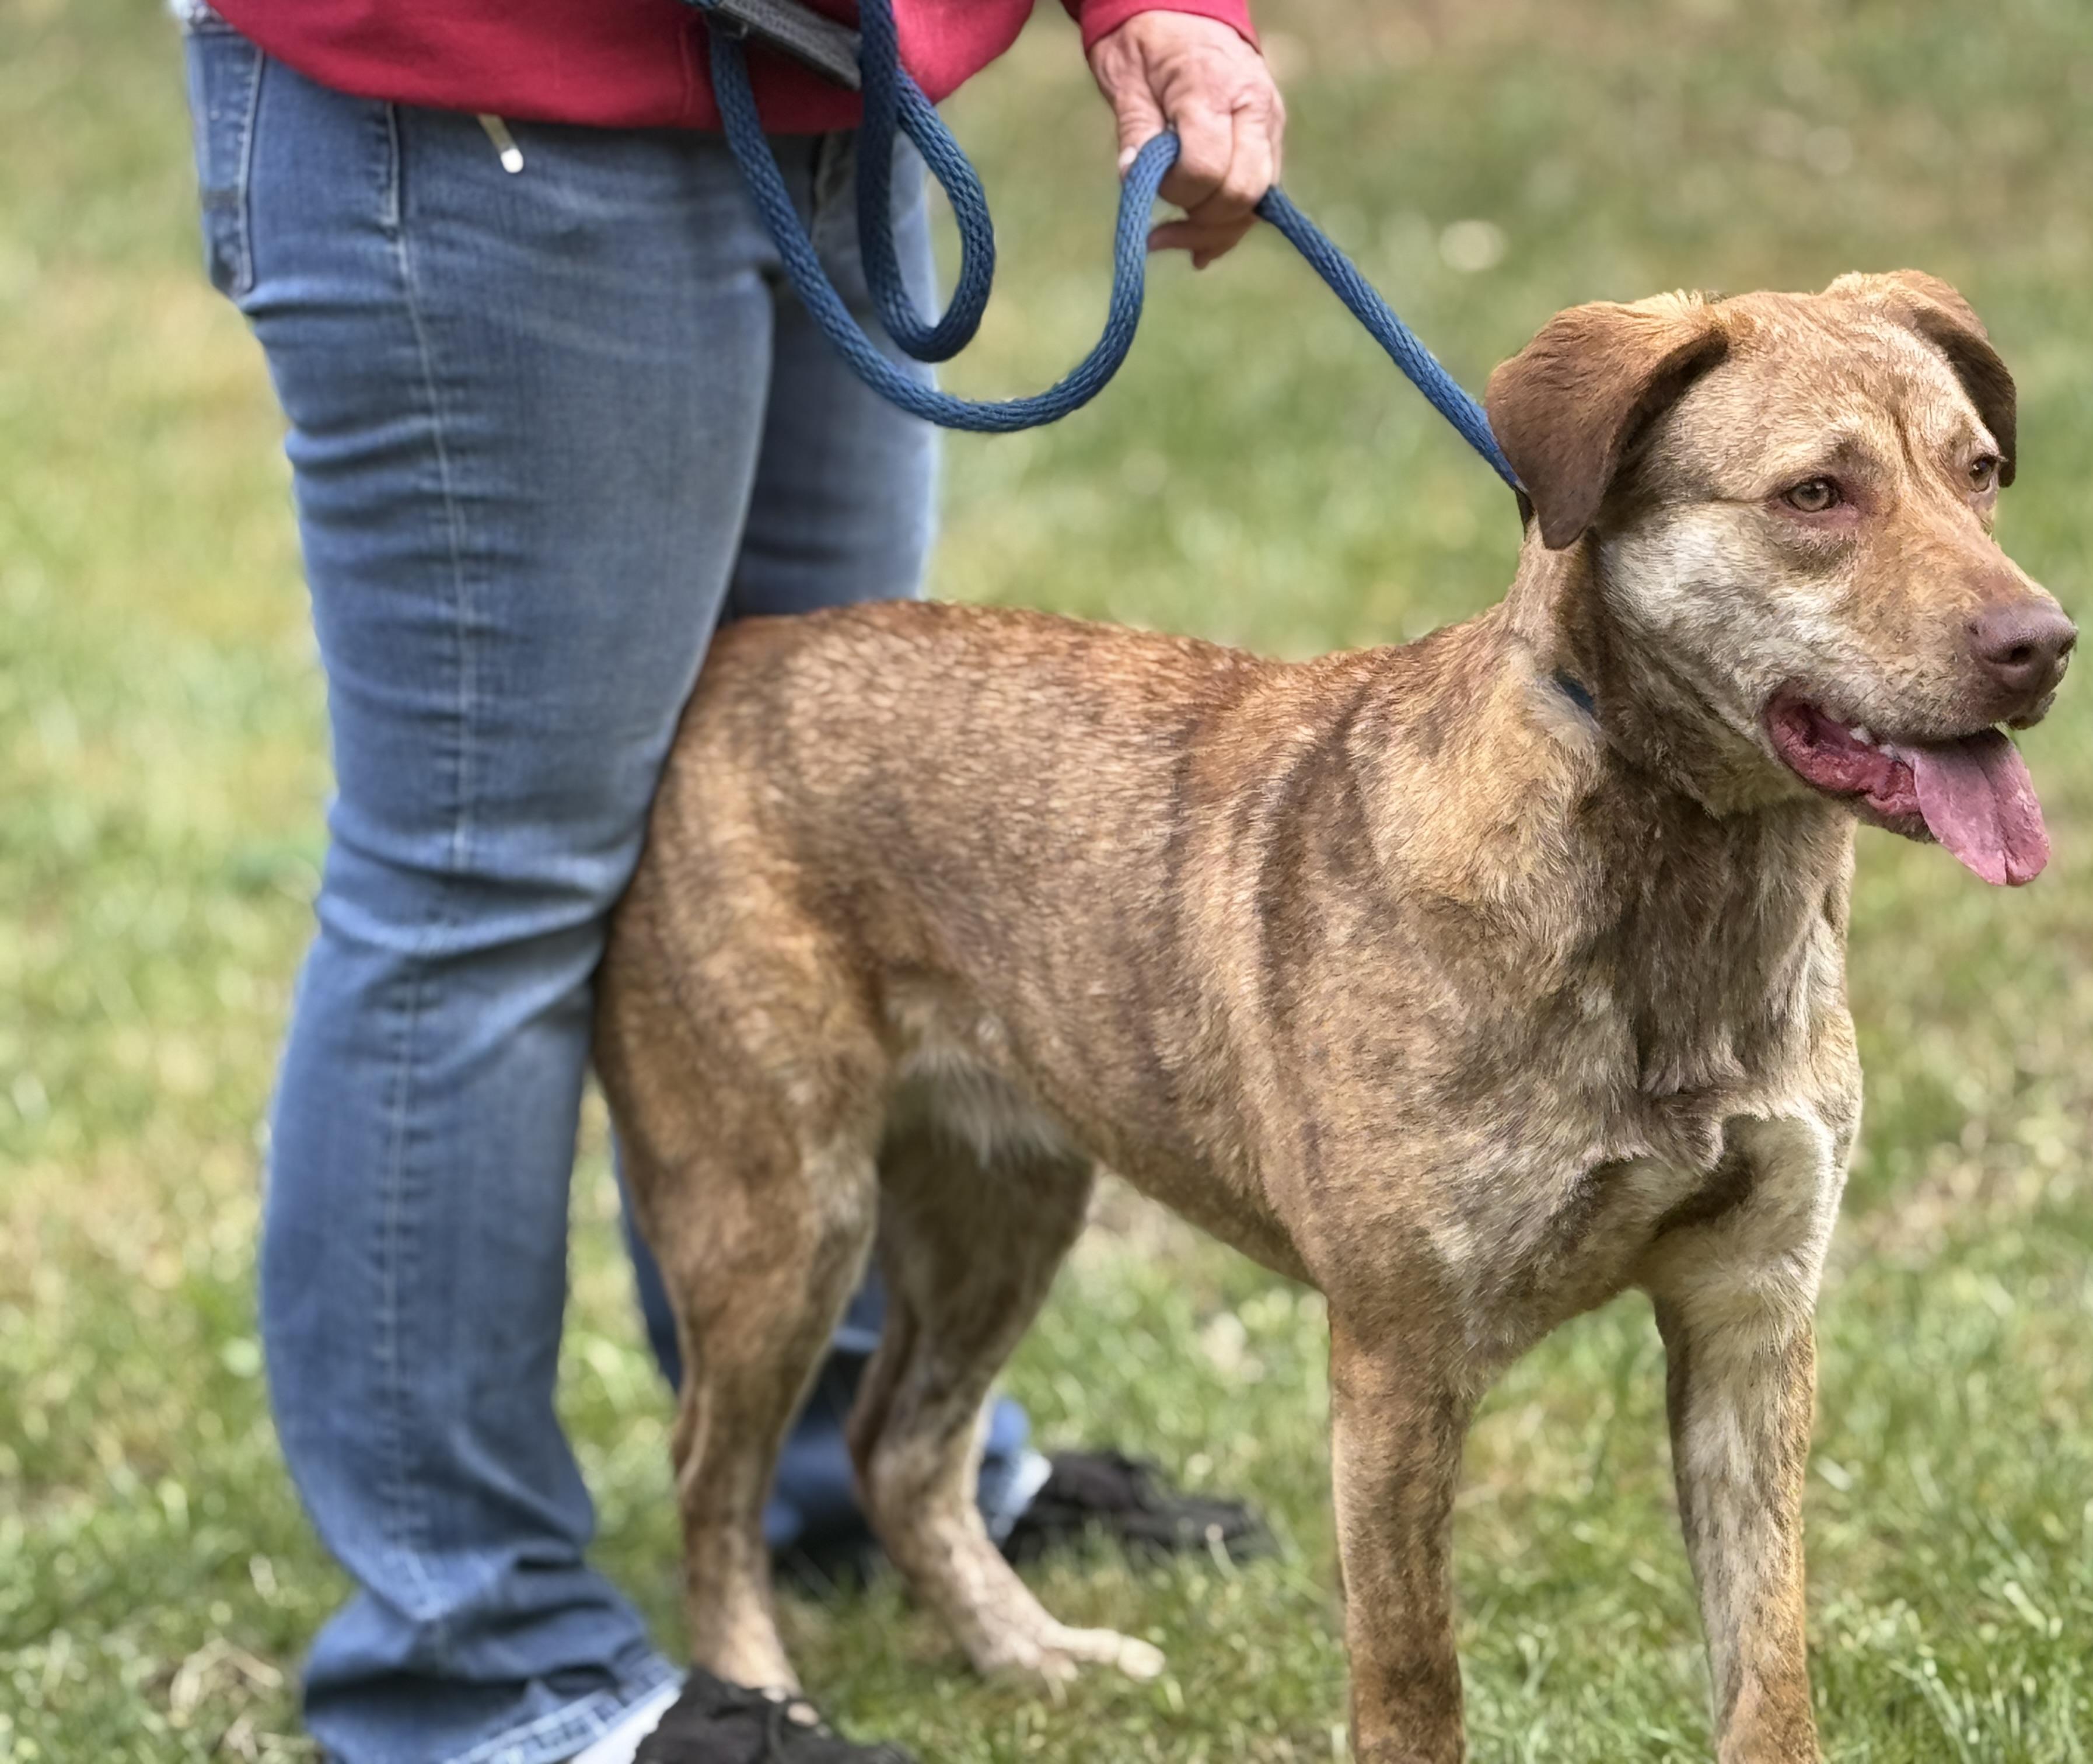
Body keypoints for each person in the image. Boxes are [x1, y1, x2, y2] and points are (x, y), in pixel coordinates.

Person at [178, 1, 1287, 1758]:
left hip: (826, 89)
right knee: (489, 889)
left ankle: (865, 1473)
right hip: (487, 102)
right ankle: (480, 1665)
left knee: (832, 838)